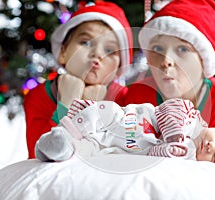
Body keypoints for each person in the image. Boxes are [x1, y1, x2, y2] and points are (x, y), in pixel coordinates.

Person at [35, 98, 215, 178]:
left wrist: (165, 153)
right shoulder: (192, 118)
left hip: (120, 148)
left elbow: (151, 157)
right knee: (104, 112)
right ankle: (65, 133)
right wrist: (175, 134)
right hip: (125, 121)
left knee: (90, 151)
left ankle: (59, 149)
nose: (211, 145)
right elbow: (170, 108)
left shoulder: (188, 162)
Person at [23, 1, 133, 158]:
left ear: (118, 68)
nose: (97, 54)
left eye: (110, 50)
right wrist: (67, 103)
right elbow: (40, 157)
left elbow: (127, 153)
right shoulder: (37, 96)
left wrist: (95, 111)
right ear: (63, 52)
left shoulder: (125, 98)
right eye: (85, 42)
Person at [124, 0, 215, 128]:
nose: (166, 60)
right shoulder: (137, 94)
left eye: (183, 49)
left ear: (203, 60)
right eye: (157, 49)